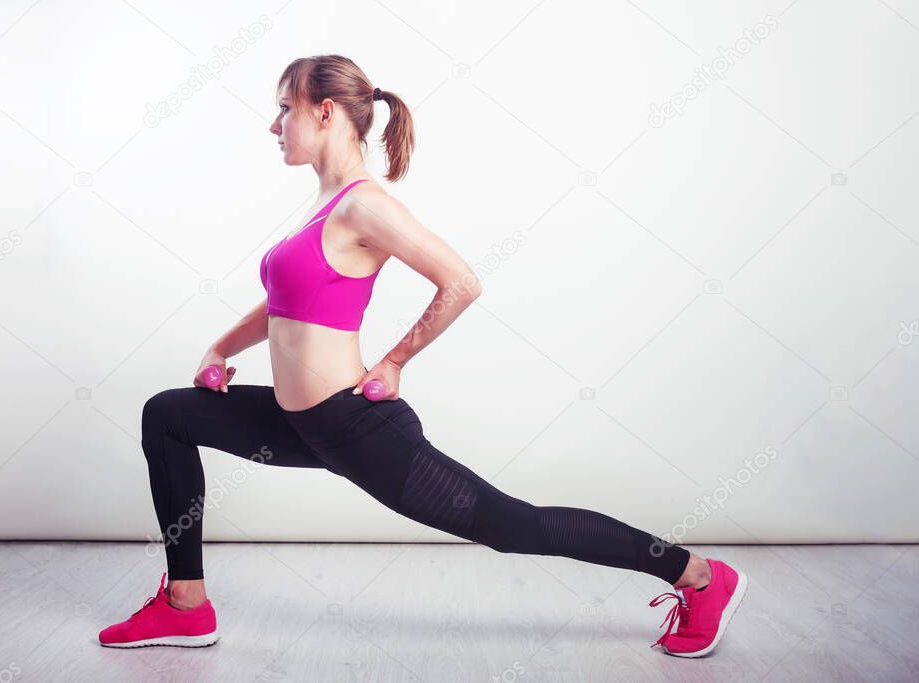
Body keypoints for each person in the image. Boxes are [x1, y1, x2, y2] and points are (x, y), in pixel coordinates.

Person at [98, 55, 747, 657]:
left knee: (513, 525)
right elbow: (284, 303)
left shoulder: (365, 204)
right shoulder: (319, 206)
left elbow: (461, 280)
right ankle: (186, 603)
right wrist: (221, 345)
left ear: (325, 111)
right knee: (169, 414)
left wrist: (397, 358)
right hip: (302, 424)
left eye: (285, 109)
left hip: (353, 426)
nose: (275, 124)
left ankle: (698, 574)